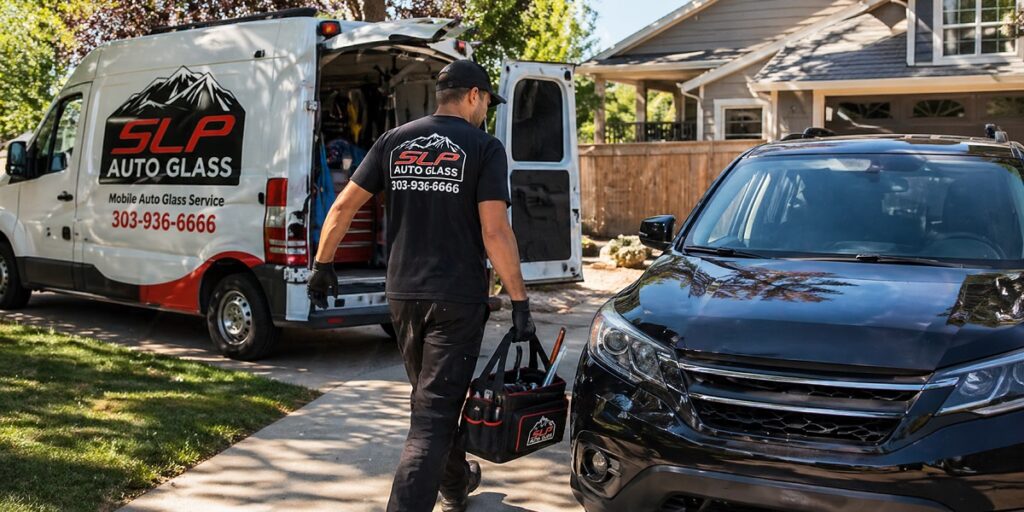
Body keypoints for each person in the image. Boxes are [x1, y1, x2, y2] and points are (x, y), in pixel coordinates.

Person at [307, 59, 536, 512]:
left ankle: (455, 484)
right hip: (457, 299)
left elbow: (342, 207)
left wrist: (323, 264)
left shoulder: (394, 141)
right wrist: (520, 300)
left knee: (434, 401)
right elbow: (495, 232)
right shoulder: (484, 147)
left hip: (403, 297)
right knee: (431, 416)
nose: (486, 109)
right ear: (474, 95)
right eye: (487, 100)